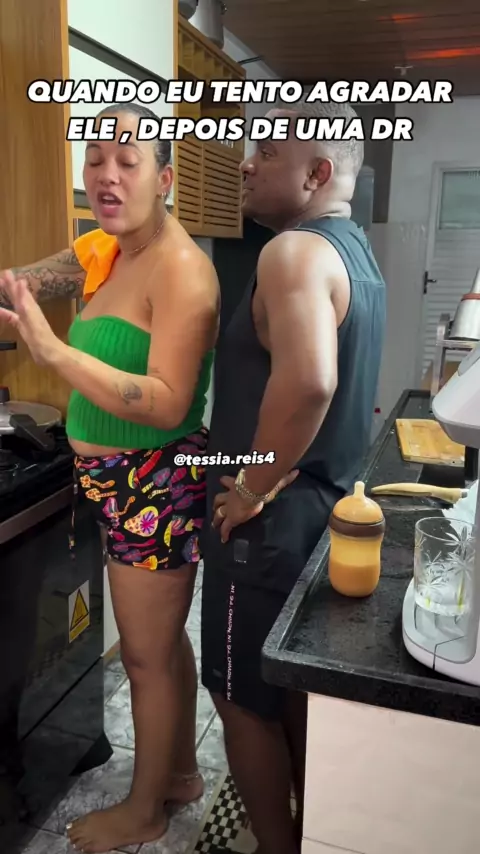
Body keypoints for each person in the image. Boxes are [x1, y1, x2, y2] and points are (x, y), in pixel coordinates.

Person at [0, 102, 219, 853]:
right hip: (112, 478)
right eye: (96, 158)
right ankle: (180, 773)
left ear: (165, 178)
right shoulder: (104, 249)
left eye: (129, 160)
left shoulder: (184, 271)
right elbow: (20, 287)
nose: (108, 174)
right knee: (163, 646)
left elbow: (167, 401)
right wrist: (16, 302)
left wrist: (54, 354)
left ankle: (144, 811)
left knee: (145, 657)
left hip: (156, 482)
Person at [200, 97, 386, 854]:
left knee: (241, 698)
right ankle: (311, 834)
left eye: (266, 152)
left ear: (316, 173)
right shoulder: (356, 252)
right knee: (291, 691)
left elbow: (310, 382)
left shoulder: (293, 254)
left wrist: (248, 489)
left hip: (268, 528)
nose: (246, 164)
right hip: (320, 514)